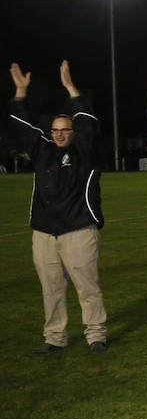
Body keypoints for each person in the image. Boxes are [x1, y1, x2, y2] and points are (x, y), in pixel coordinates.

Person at [10, 61, 109, 355]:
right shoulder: (43, 150)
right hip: (43, 233)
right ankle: (54, 337)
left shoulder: (84, 152)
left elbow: (89, 120)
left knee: (87, 287)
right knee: (50, 290)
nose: (60, 134)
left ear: (74, 132)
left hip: (78, 231)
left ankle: (96, 335)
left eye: (65, 129)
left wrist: (71, 88)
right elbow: (20, 125)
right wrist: (20, 93)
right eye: (55, 130)